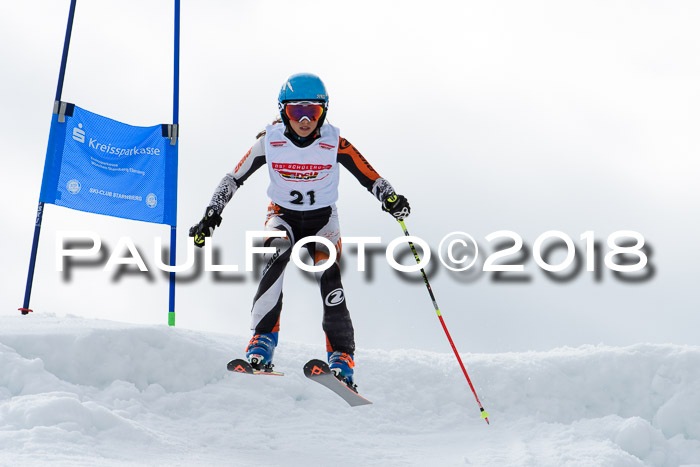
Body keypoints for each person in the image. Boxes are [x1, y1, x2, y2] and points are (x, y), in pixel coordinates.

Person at [189, 73, 410, 390]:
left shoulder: (335, 142)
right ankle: (262, 341)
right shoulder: (269, 143)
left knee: (328, 276)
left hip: (322, 222)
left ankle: (342, 358)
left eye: (313, 112)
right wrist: (211, 214)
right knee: (275, 256)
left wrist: (390, 199)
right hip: (282, 217)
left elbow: (370, 176)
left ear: (324, 112)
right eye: (296, 112)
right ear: (283, 112)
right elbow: (232, 178)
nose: (305, 120)